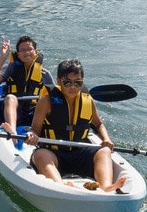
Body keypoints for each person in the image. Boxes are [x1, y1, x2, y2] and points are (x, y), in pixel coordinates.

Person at [25, 59, 126, 192]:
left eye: (78, 82)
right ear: (59, 81)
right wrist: (32, 136)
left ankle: (106, 186)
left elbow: (99, 124)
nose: (73, 87)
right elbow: (35, 129)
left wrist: (106, 139)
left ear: (82, 81)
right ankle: (60, 186)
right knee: (40, 155)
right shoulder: (46, 101)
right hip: (54, 154)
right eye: (68, 82)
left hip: (80, 152)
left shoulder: (88, 100)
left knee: (104, 151)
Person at [0, 36, 54, 136]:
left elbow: (55, 97)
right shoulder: (10, 68)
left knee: (48, 101)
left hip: (34, 113)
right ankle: (12, 132)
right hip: (13, 109)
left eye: (30, 49)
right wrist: (3, 58)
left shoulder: (44, 73)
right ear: (18, 54)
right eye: (22, 50)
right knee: (10, 97)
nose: (26, 53)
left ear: (36, 51)